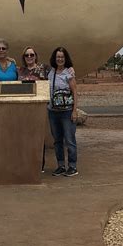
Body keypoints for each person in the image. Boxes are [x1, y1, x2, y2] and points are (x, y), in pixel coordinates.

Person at [48, 46, 78, 177]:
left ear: (65, 59)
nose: (59, 59)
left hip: (66, 111)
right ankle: (60, 165)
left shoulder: (69, 73)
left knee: (69, 139)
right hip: (53, 111)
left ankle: (72, 166)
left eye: (62, 57)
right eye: (57, 57)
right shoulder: (51, 72)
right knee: (57, 140)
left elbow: (75, 92)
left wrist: (74, 110)